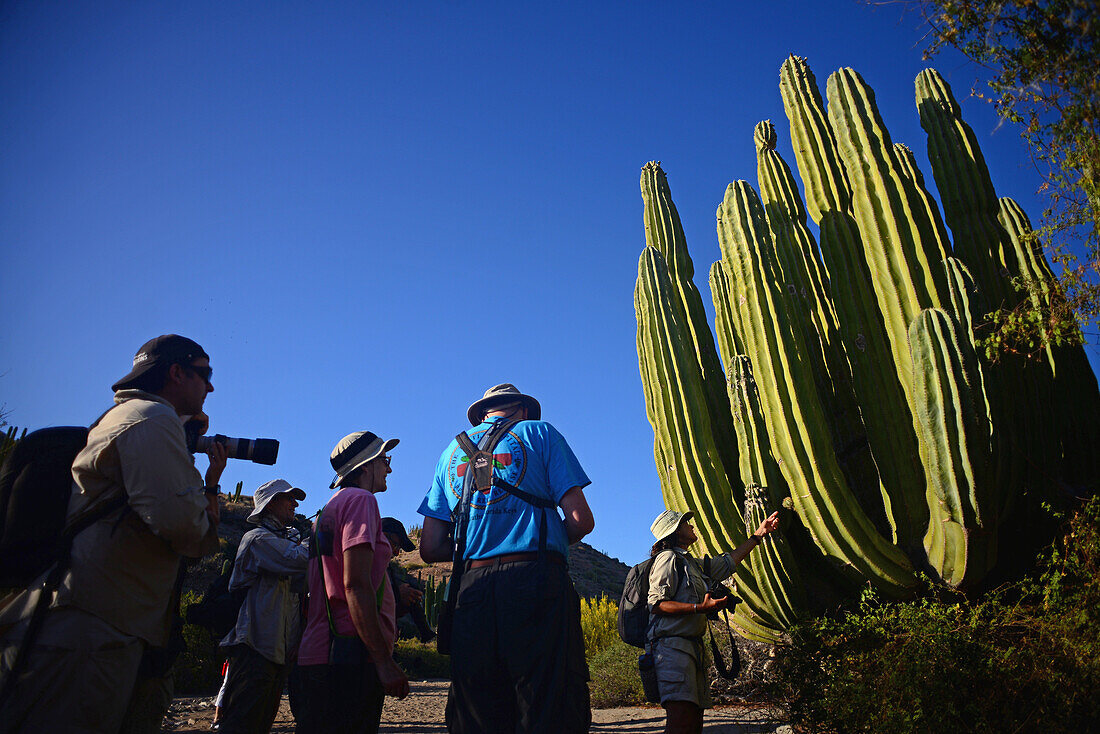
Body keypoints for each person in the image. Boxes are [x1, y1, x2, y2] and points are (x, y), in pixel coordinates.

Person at [0, 334, 227, 734]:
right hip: (93, 629)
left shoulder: (135, 417)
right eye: (204, 373)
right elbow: (186, 527)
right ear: (176, 372)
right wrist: (208, 491)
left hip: (94, 621)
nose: (210, 385)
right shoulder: (151, 419)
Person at [418, 383, 595, 734]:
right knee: (548, 701)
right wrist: (544, 542)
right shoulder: (540, 432)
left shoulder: (450, 450)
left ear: (483, 414)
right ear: (523, 410)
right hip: (535, 579)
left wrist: (477, 544)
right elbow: (581, 521)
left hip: (471, 590)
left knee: (477, 709)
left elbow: (430, 547)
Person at [294, 430, 410, 734]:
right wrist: (383, 660)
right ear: (365, 467)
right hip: (349, 658)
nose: (389, 468)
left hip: (320, 653)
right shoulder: (361, 500)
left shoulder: (327, 509)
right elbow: (355, 585)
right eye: (384, 460)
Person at [647, 508, 780, 734]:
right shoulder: (667, 559)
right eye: (685, 523)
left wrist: (759, 534)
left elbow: (729, 562)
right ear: (674, 532)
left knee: (695, 721)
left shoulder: (692, 564)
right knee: (680, 721)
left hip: (692, 648)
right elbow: (657, 604)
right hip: (672, 649)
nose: (691, 525)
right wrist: (700, 607)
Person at [217, 479, 310, 734]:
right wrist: (317, 536)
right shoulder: (256, 539)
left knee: (260, 723)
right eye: (288, 498)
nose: (295, 503)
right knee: (241, 722)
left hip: (277, 654)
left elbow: (303, 583)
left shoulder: (283, 540)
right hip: (254, 648)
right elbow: (299, 560)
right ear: (270, 504)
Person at [381, 517, 436, 643]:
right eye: (396, 545)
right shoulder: (365, 563)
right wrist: (396, 595)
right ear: (383, 536)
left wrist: (401, 605)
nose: (396, 553)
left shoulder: (386, 569)